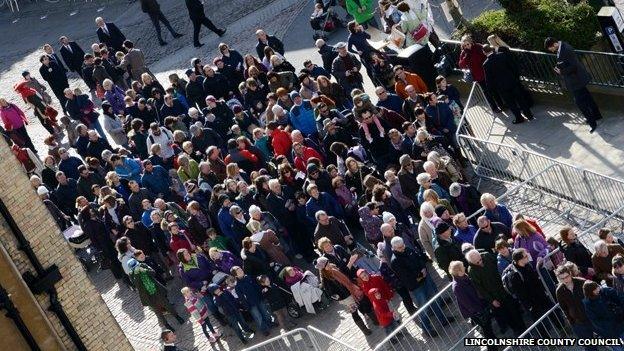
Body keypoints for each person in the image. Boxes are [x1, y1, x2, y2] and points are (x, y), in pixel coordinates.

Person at [390, 236, 453, 336]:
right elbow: (405, 276)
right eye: (399, 248)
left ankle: (443, 319)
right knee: (424, 308)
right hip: (416, 286)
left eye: (403, 246)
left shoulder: (408, 249)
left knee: (434, 300)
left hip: (425, 279)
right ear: (393, 248)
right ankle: (427, 328)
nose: (402, 248)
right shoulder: (395, 261)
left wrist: (423, 268)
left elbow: (419, 258)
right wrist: (419, 275)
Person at [545, 37, 602, 133]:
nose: (551, 50)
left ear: (554, 44)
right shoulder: (562, 47)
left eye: (551, 48)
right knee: (587, 97)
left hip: (576, 80)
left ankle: (592, 123)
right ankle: (597, 115)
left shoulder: (566, 49)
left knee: (580, 103)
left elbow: (573, 66)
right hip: (576, 79)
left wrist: (561, 71)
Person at [465, 249, 526, 335]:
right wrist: (492, 300)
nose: (480, 263)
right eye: (477, 262)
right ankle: (516, 330)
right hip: (494, 297)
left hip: (504, 289)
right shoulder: (472, 271)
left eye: (480, 260)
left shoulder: (487, 256)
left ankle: (523, 328)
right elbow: (480, 289)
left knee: (514, 310)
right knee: (505, 315)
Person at [449, 261, 497, 350]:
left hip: (480, 306)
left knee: (488, 327)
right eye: (462, 267)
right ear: (458, 271)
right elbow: (467, 303)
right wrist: (479, 310)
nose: (464, 267)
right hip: (477, 311)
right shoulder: (457, 286)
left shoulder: (463, 277)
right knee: (486, 330)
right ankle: (492, 347)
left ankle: (494, 342)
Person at [127, 258, 184, 330]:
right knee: (158, 312)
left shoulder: (143, 265)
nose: (136, 268)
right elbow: (136, 284)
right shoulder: (131, 274)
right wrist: (137, 274)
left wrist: (144, 271)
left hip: (156, 290)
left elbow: (153, 273)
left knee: (167, 305)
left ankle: (177, 316)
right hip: (148, 296)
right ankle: (167, 326)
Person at [483, 44, 533, 124]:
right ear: (492, 49)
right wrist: (516, 78)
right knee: (520, 99)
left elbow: (489, 79)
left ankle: (519, 118)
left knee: (511, 103)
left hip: (502, 87)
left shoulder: (486, 64)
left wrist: (490, 90)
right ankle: (529, 115)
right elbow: (512, 67)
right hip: (512, 82)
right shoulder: (502, 55)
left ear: (484, 52)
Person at [554, 265, 596, 351]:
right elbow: (564, 308)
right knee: (590, 347)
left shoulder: (582, 282)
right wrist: (572, 322)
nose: (565, 280)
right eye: (562, 278)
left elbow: (594, 297)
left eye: (566, 277)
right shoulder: (559, 291)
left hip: (593, 317)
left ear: (570, 274)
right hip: (578, 322)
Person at [458, 35, 500, 112]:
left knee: (494, 89)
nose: (467, 46)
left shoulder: (478, 46)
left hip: (487, 71)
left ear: (471, 42)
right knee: (487, 92)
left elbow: (486, 54)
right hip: (478, 76)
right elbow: (461, 65)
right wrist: (466, 57)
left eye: (468, 44)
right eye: (465, 45)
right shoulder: (464, 53)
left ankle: (500, 104)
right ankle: (494, 107)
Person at [582, 280, 624, 347]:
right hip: (610, 331)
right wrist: (609, 326)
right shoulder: (588, 304)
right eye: (594, 289)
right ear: (589, 292)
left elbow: (618, 299)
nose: (597, 290)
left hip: (620, 323)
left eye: (597, 287)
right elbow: (595, 321)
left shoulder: (605, 292)